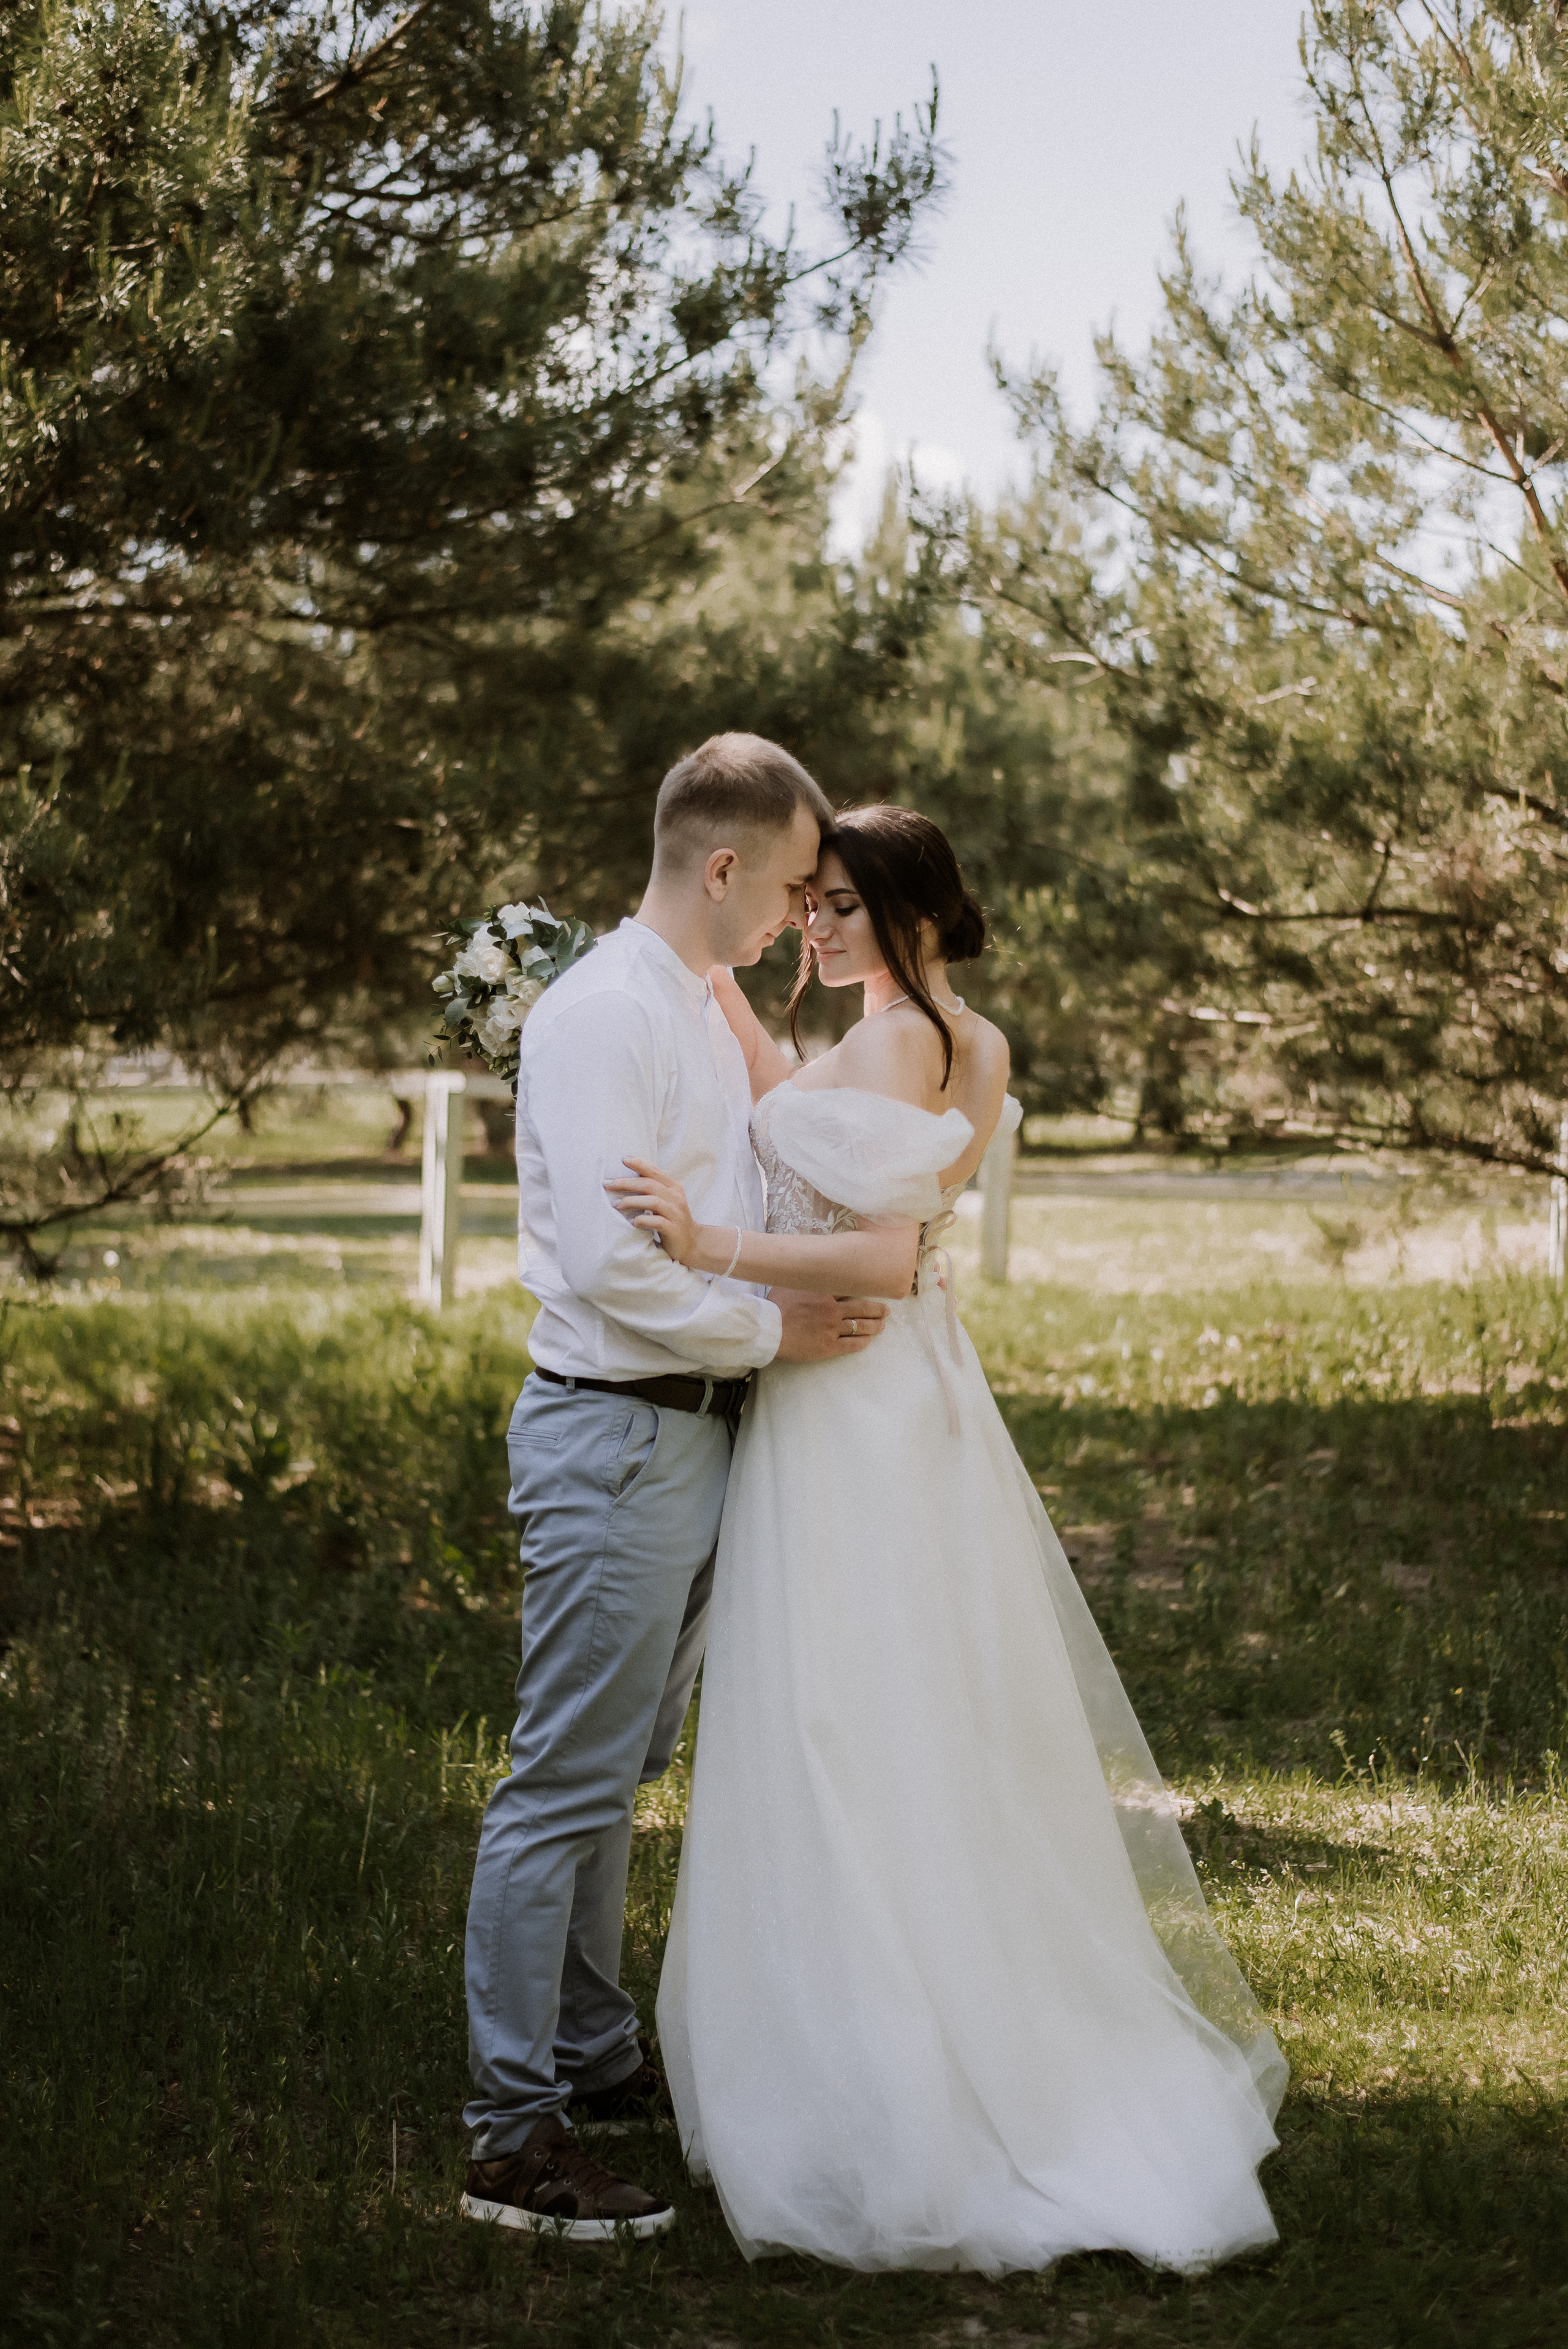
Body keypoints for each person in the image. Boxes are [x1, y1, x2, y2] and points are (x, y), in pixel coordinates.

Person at [611, 804, 1287, 2276]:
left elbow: (882, 1257)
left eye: (844, 904)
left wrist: (697, 1240)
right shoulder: (948, 1034)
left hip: (851, 1400)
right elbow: (793, 1114)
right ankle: (885, 2033)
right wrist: (700, 972)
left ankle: (886, 2089)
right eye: (810, 904)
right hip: (888, 1398)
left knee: (841, 1721)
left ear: (913, 911)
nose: (820, 927)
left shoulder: (905, 1038)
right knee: (902, 1720)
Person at [459, 735, 894, 2244]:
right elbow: (607, 1267)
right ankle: (509, 2137)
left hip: (693, 1434)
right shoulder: (597, 1019)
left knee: (614, 1768)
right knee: (557, 1787)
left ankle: (589, 2049)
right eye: (784, 886)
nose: (794, 915)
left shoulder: (698, 1014)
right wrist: (772, 1329)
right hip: (615, 1433)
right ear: (721, 868)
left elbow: (726, 1206)